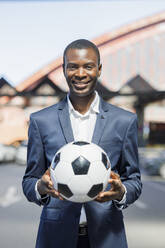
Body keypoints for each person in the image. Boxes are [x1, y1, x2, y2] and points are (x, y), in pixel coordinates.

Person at [22, 39, 142, 248]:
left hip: (107, 236)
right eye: (73, 66)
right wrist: (40, 187)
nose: (80, 73)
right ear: (64, 69)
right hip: (55, 238)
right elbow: (29, 180)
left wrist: (121, 192)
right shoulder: (41, 121)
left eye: (88, 66)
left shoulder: (124, 121)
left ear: (99, 69)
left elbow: (134, 180)